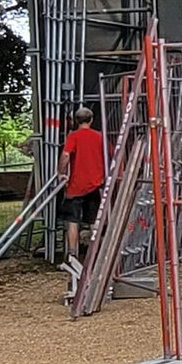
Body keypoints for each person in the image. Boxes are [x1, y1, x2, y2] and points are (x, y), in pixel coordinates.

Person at [59, 107, 105, 268]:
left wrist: (61, 172)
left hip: (76, 186)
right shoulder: (99, 137)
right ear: (91, 119)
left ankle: (72, 254)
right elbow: (110, 154)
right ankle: (96, 252)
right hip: (95, 184)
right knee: (94, 220)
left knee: (72, 220)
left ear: (75, 121)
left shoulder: (73, 136)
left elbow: (65, 155)